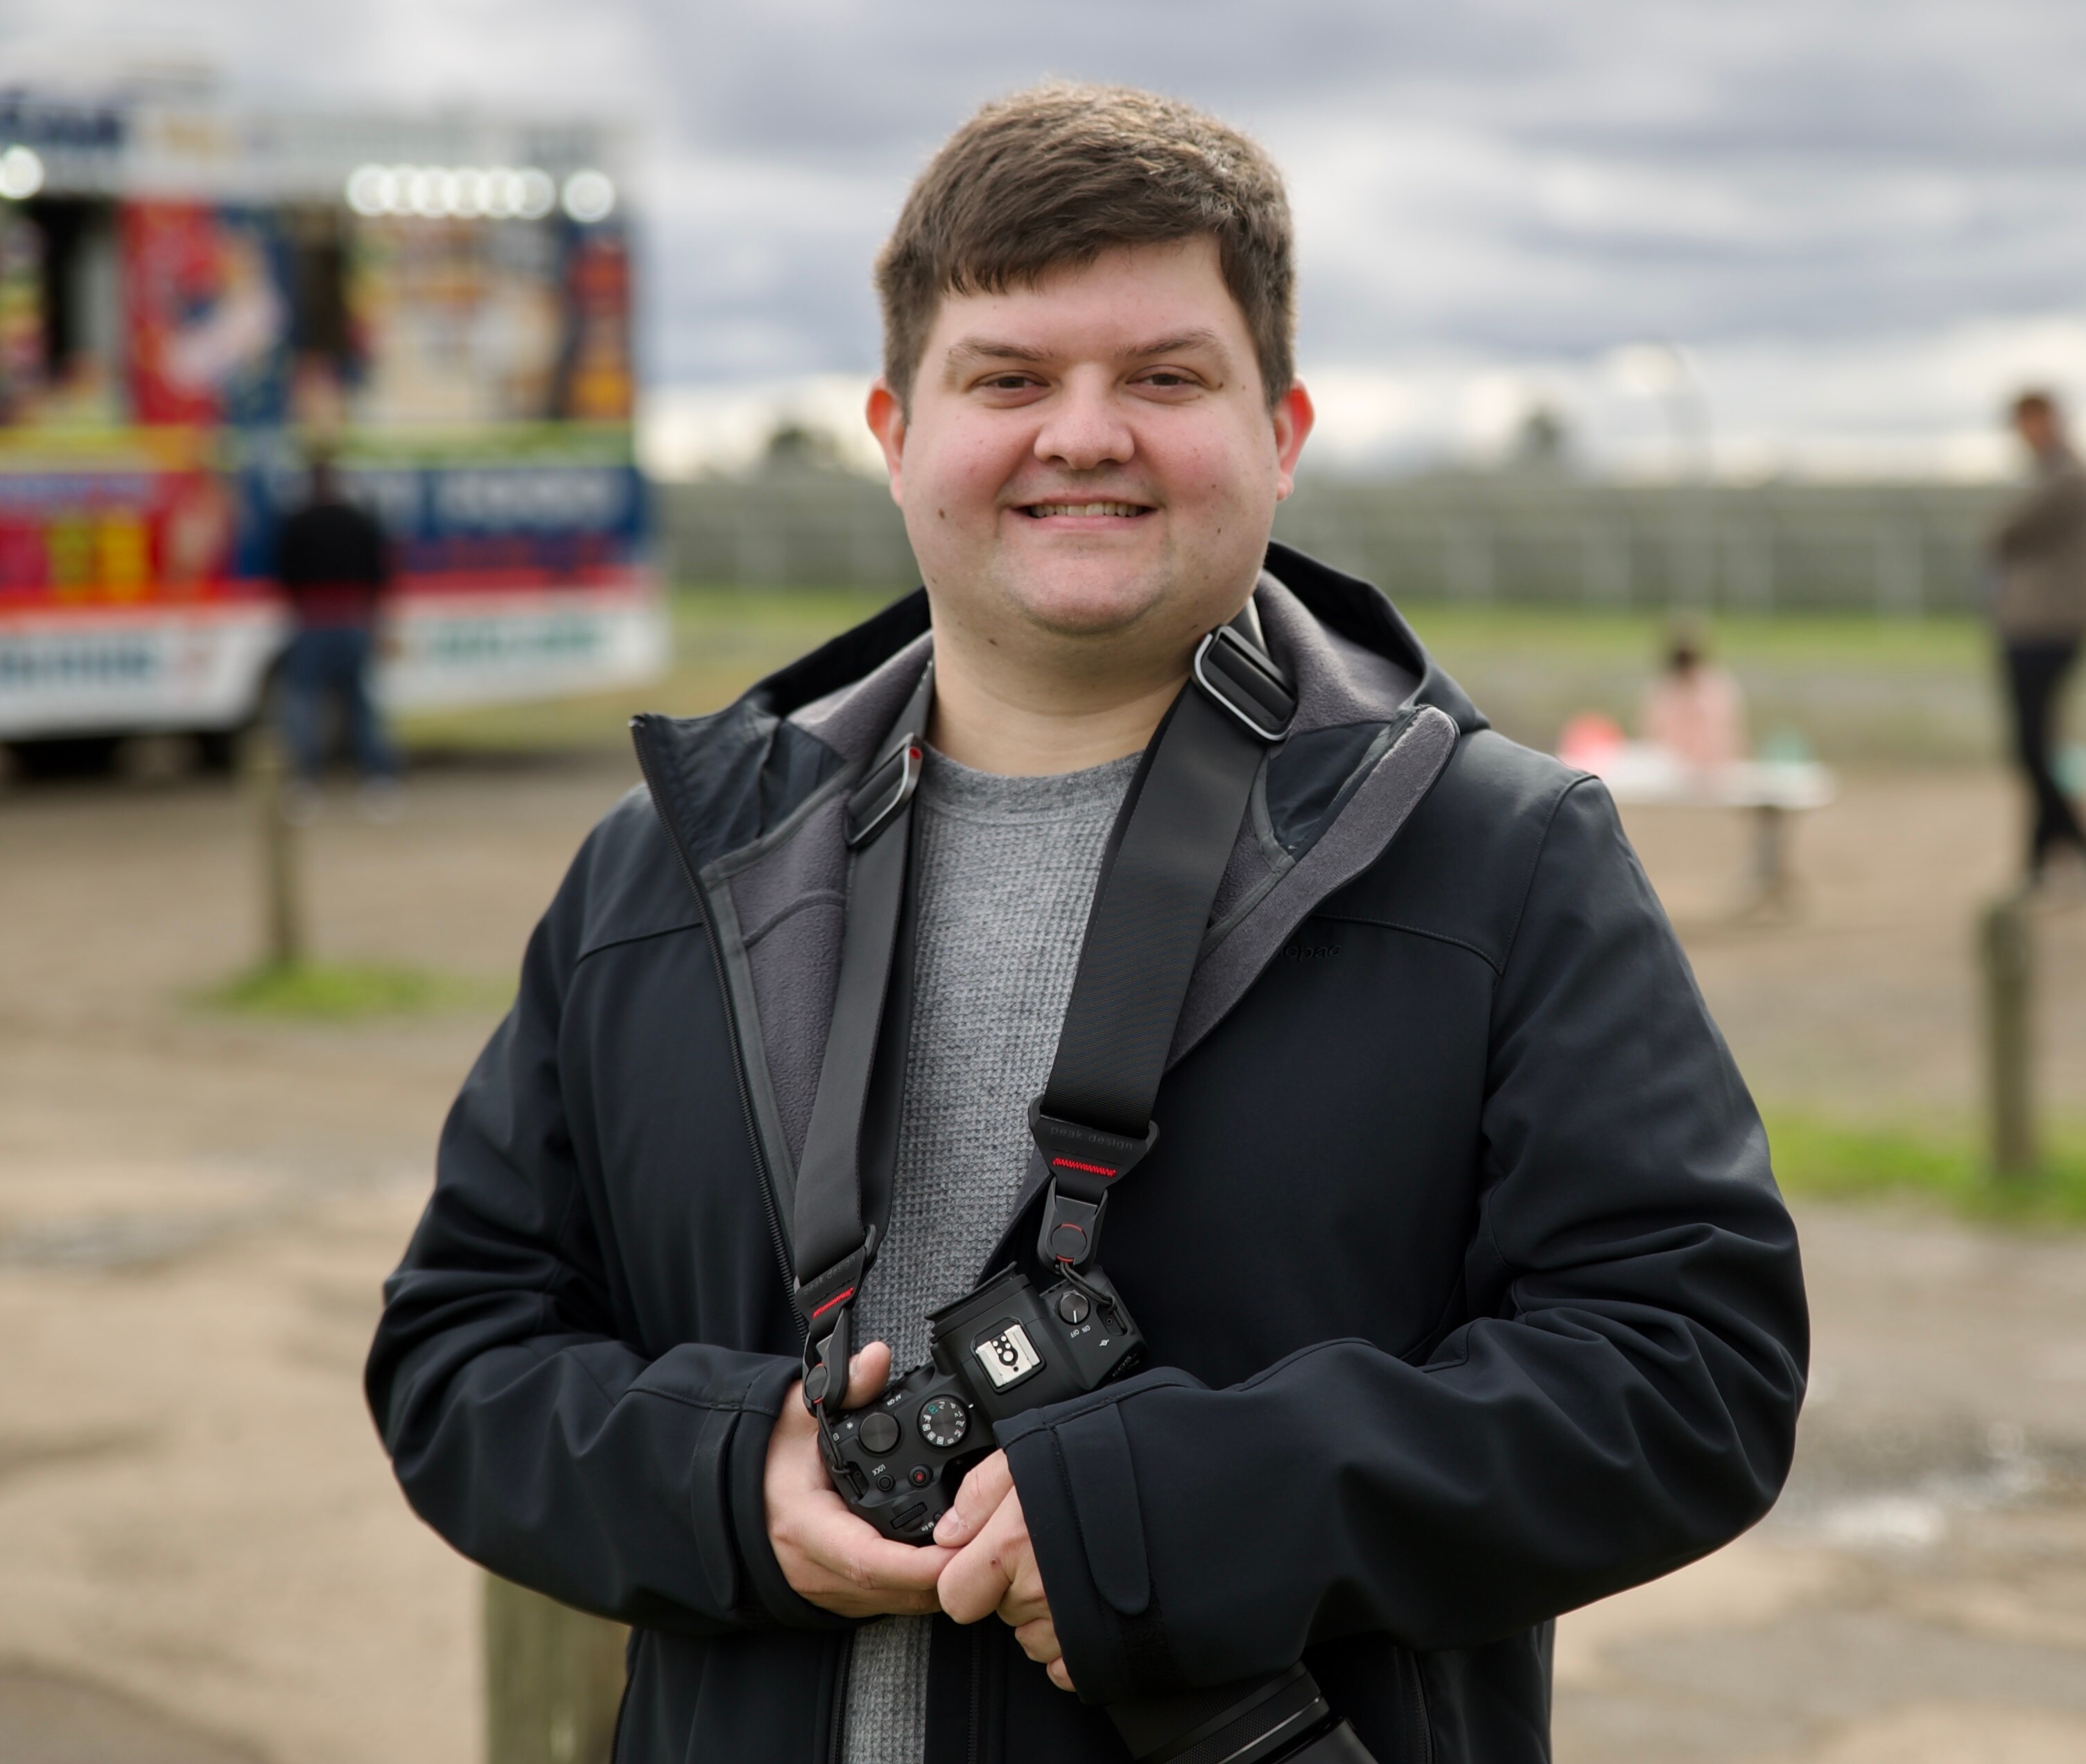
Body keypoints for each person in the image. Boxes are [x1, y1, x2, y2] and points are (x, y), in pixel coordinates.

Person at [365, 85, 1806, 1764]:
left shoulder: (1500, 859)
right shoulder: (662, 871)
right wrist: (718, 1472)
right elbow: (458, 1352)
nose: (1082, 433)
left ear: (1280, 429)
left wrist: (1176, 1514)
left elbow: (1685, 1370)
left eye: (1162, 377)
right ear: (895, 433)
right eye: (1009, 378)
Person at [1988, 389, 2086, 888]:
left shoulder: (2064, 476)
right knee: (2034, 747)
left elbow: (2002, 532)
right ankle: (2041, 856)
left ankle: (2065, 841)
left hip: (2044, 629)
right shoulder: (2047, 475)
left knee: (2031, 746)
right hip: (2027, 626)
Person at [272, 454, 398, 814]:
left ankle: (306, 784)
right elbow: (379, 573)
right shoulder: (359, 519)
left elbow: (285, 574)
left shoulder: (296, 522)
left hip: (311, 622)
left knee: (305, 706)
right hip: (354, 620)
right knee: (362, 706)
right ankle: (379, 781)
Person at [1641, 627, 1748, 769]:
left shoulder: (1717, 687)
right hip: (1672, 768)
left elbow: (1727, 736)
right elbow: (1651, 736)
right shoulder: (1662, 689)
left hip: (1714, 768)